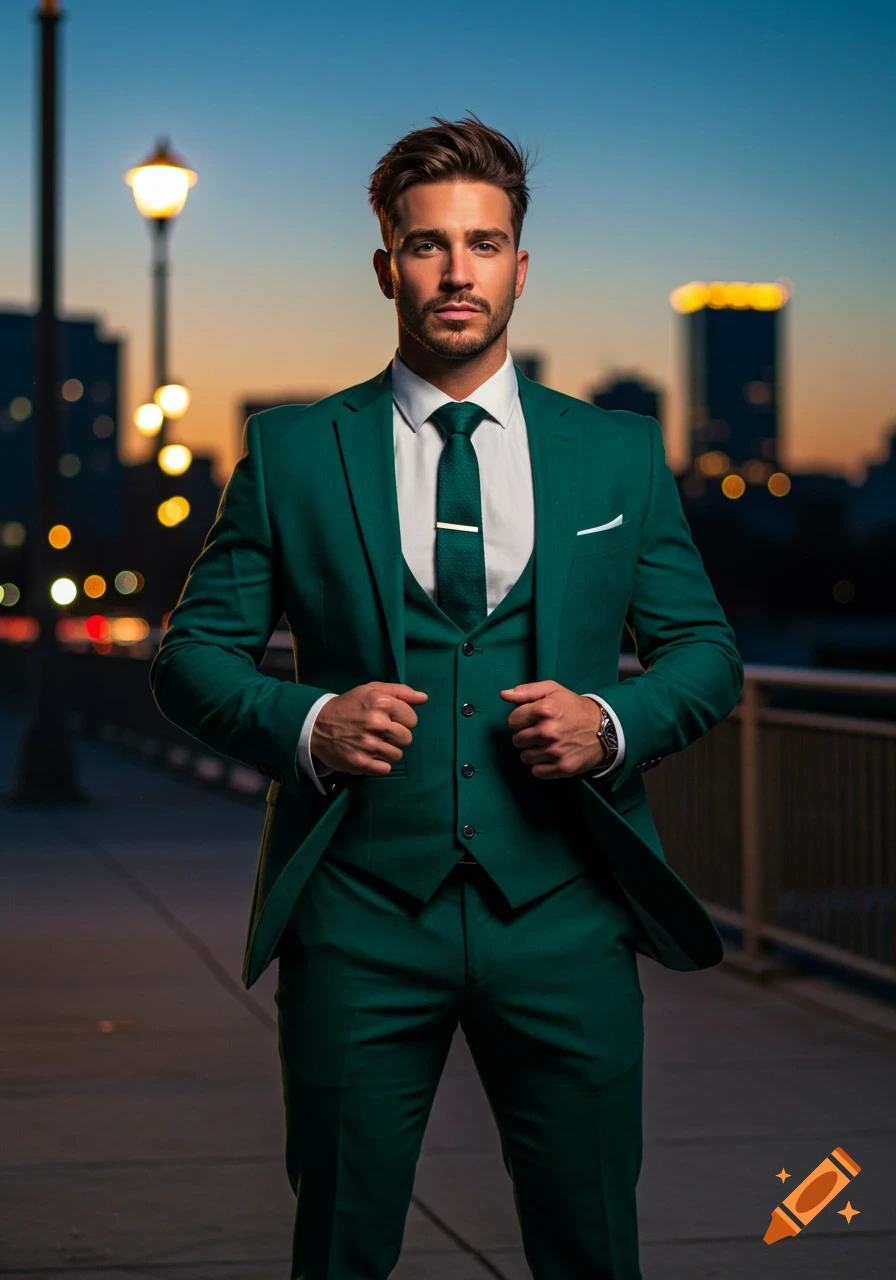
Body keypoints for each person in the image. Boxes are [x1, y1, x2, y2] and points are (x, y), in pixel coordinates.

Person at [149, 112, 744, 1279]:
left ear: (520, 265)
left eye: (483, 242)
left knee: (590, 1247)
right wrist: (308, 722)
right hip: (360, 913)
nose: (456, 270)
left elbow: (703, 651)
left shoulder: (614, 454)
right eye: (427, 244)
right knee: (339, 1246)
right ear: (386, 266)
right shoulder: (290, 452)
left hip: (565, 913)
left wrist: (611, 721)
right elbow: (188, 657)